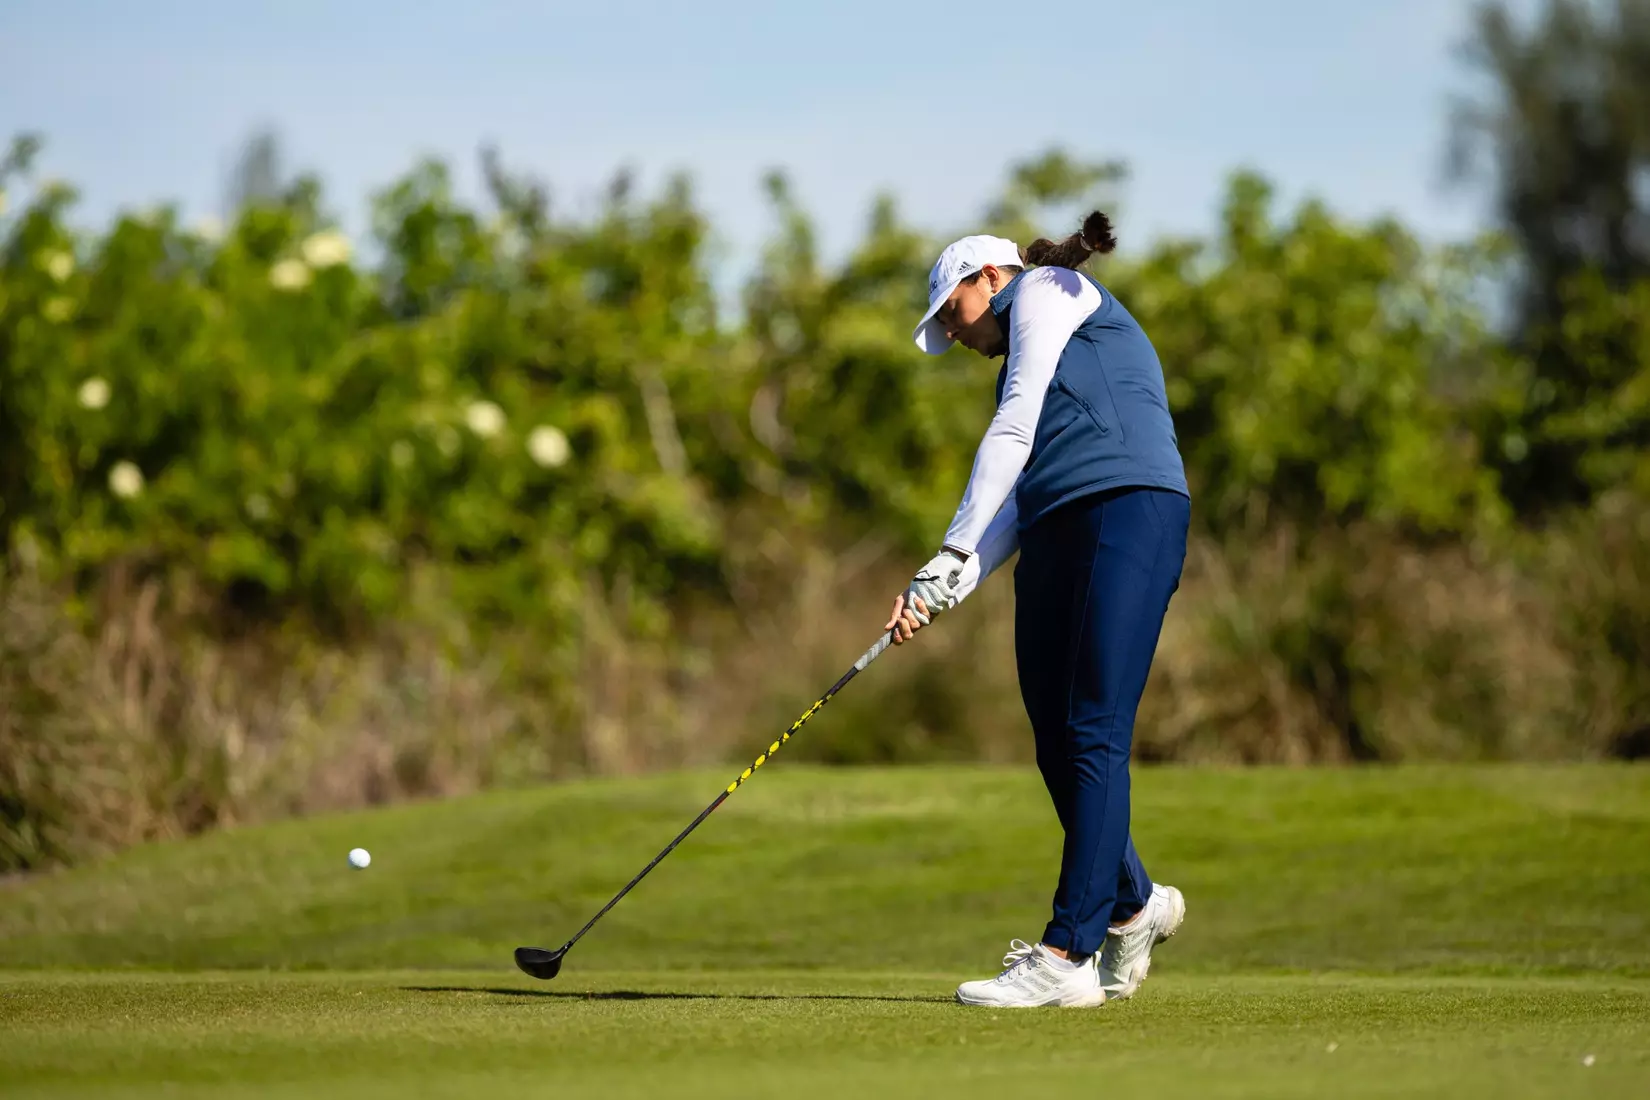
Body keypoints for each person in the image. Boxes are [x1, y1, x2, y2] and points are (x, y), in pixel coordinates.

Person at [886, 213, 1191, 1008]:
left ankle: (1067, 954)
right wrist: (943, 582)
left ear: (990, 278)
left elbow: (1014, 425)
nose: (953, 336)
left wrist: (952, 548)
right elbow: (1016, 501)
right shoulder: (1019, 349)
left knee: (1093, 729)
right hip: (1060, 525)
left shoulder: (1050, 291)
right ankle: (1133, 903)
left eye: (952, 315)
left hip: (1127, 510)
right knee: (1056, 738)